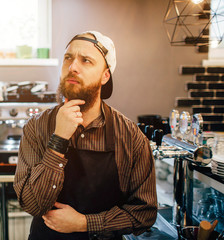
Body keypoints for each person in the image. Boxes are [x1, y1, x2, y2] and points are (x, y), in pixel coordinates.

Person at [13, 30, 157, 240]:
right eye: (68, 58)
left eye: (86, 61)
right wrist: (58, 140)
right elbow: (33, 205)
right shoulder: (37, 127)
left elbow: (144, 214)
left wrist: (85, 224)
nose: (72, 67)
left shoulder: (130, 136)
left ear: (105, 76)